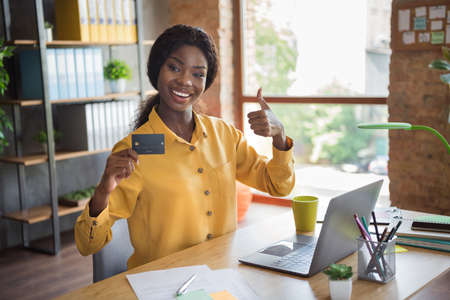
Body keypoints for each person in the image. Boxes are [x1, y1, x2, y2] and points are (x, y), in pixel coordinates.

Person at [75, 24, 295, 270]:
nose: (184, 81)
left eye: (197, 74)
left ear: (206, 80)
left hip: (222, 275)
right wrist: (104, 190)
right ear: (157, 69)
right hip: (162, 285)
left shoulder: (224, 135)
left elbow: (278, 185)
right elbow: (87, 245)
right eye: (174, 67)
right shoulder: (132, 151)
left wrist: (279, 137)